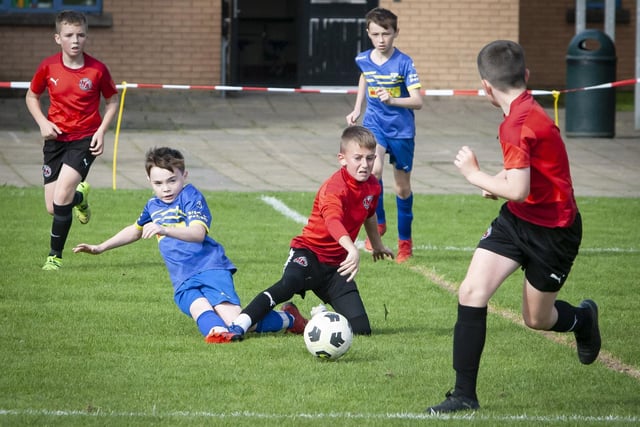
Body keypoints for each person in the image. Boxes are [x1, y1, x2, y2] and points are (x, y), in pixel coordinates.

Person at [425, 40, 601, 414]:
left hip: (554, 231)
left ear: (485, 86)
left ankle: (583, 319)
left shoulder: (518, 124)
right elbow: (524, 176)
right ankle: (463, 395)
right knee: (471, 291)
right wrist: (498, 181)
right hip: (517, 222)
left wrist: (475, 175)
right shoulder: (524, 111)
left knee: (537, 319)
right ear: (526, 76)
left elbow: (518, 189)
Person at [73, 147, 308, 343]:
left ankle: (288, 318)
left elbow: (197, 233)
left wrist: (165, 229)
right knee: (199, 309)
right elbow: (135, 230)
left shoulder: (191, 197)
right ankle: (216, 332)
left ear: (184, 175)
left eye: (171, 180)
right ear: (149, 181)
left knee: (236, 321)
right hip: (182, 277)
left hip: (210, 268)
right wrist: (100, 247)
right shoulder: (153, 205)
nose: (165, 188)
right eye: (158, 183)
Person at [226, 126, 395, 339]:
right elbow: (333, 221)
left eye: (370, 158)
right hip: (309, 254)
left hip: (336, 267)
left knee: (361, 329)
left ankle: (309, 319)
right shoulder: (334, 188)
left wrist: (377, 244)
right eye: (358, 158)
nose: (365, 164)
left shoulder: (372, 186)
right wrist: (351, 248)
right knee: (288, 285)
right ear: (342, 159)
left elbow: (369, 213)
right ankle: (239, 325)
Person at [25, 10, 119, 271]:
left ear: (86, 36)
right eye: (69, 35)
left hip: (84, 139)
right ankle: (82, 197)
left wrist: (101, 131)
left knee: (62, 194)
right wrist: (43, 123)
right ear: (58, 38)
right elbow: (31, 96)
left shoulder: (97, 70)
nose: (75, 40)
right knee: (53, 207)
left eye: (80, 35)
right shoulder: (48, 66)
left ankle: (54, 257)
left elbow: (113, 101)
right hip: (55, 140)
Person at [345, 7, 423, 263]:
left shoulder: (404, 63)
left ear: (395, 33)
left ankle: (405, 243)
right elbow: (364, 78)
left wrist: (393, 99)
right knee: (373, 171)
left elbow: (418, 101)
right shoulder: (363, 59)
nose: (381, 39)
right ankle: (379, 224)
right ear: (368, 33)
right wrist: (357, 108)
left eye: (386, 34)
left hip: (401, 131)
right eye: (376, 34)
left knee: (402, 189)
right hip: (374, 125)